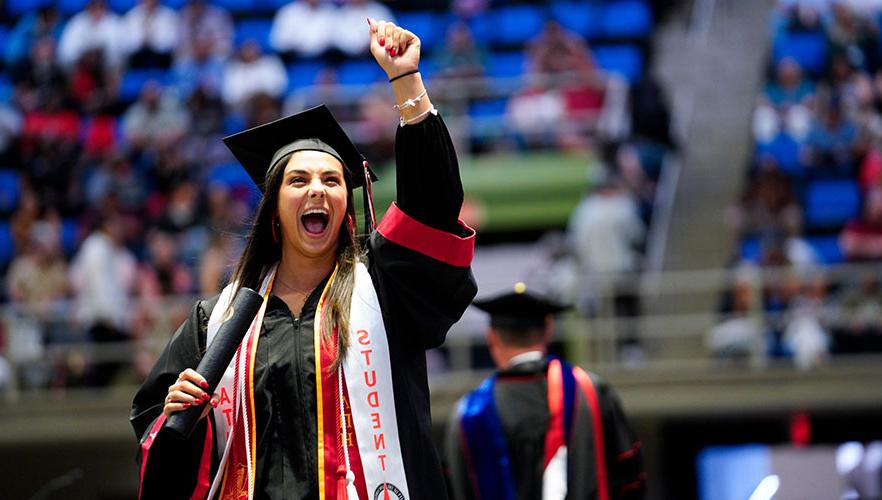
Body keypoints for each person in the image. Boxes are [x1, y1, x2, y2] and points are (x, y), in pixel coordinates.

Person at [131, 18, 477, 500]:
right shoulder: (218, 323)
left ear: (345, 205)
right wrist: (181, 419)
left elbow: (432, 207)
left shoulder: (385, 289)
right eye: (298, 181)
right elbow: (158, 440)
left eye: (331, 180)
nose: (317, 188)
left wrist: (406, 81)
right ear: (274, 207)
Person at [445, 284, 645, 500]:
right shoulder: (592, 393)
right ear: (548, 332)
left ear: (491, 337)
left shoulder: (467, 415)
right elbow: (630, 482)